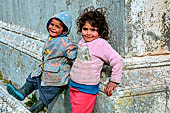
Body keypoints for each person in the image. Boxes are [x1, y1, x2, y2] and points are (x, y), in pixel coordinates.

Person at [7, 11, 77, 113]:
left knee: (46, 96)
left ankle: (34, 110)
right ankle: (22, 92)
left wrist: (71, 57)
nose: (53, 28)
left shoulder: (64, 42)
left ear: (64, 31)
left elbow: (72, 53)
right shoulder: (51, 38)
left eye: (57, 27)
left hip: (55, 76)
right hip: (44, 71)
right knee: (33, 78)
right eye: (52, 24)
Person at [69, 6, 123, 113]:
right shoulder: (82, 42)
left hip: (86, 90)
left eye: (93, 30)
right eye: (85, 29)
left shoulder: (101, 44)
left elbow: (117, 60)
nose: (88, 33)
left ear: (100, 31)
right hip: (74, 85)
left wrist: (114, 81)